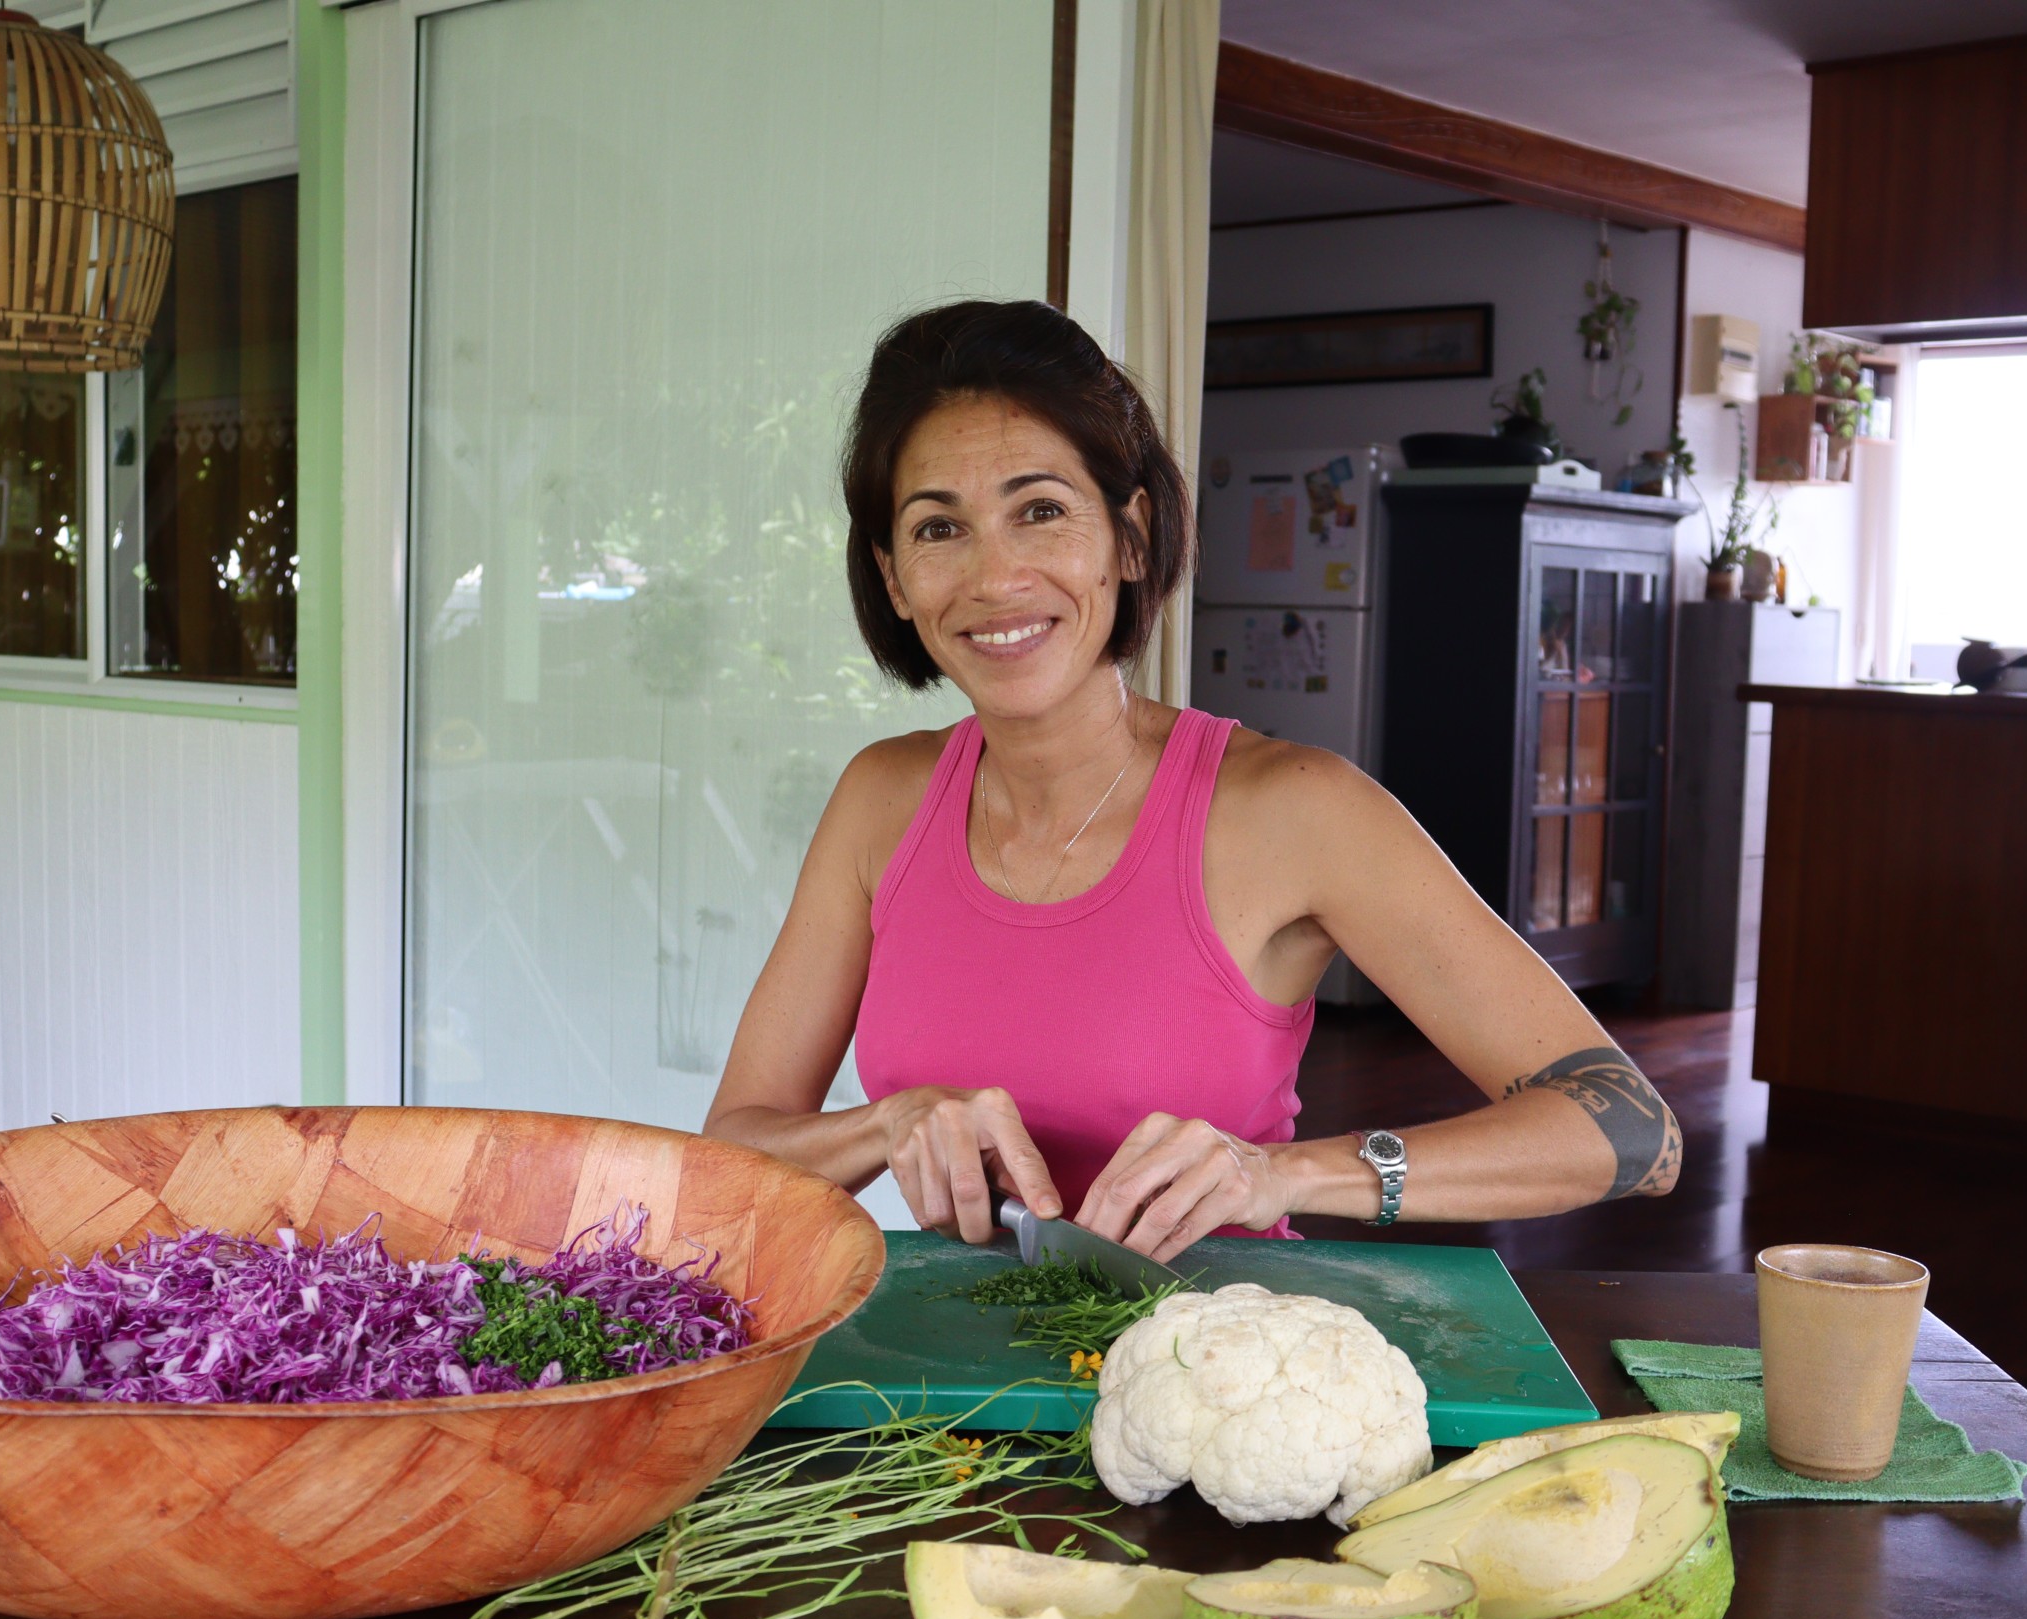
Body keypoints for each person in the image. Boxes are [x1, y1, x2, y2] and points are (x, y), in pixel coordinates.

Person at [704, 299, 1679, 1263]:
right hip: (953, 1388)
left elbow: (1634, 1131)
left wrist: (1285, 1173)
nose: (994, 578)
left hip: (1205, 1379)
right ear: (890, 576)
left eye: (1040, 512)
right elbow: (729, 1152)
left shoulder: (1294, 807)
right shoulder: (882, 799)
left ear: (1130, 537)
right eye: (937, 529)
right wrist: (884, 1126)